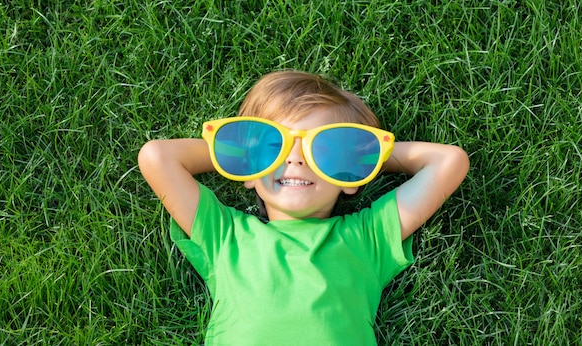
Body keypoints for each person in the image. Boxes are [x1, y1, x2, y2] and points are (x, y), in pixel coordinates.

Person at [138, 70, 469, 345]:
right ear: (249, 167)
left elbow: (449, 161)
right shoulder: (225, 237)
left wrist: (359, 158)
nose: (295, 158)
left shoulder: (368, 239)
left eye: (324, 150)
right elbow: (157, 157)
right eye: (274, 147)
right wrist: (242, 156)